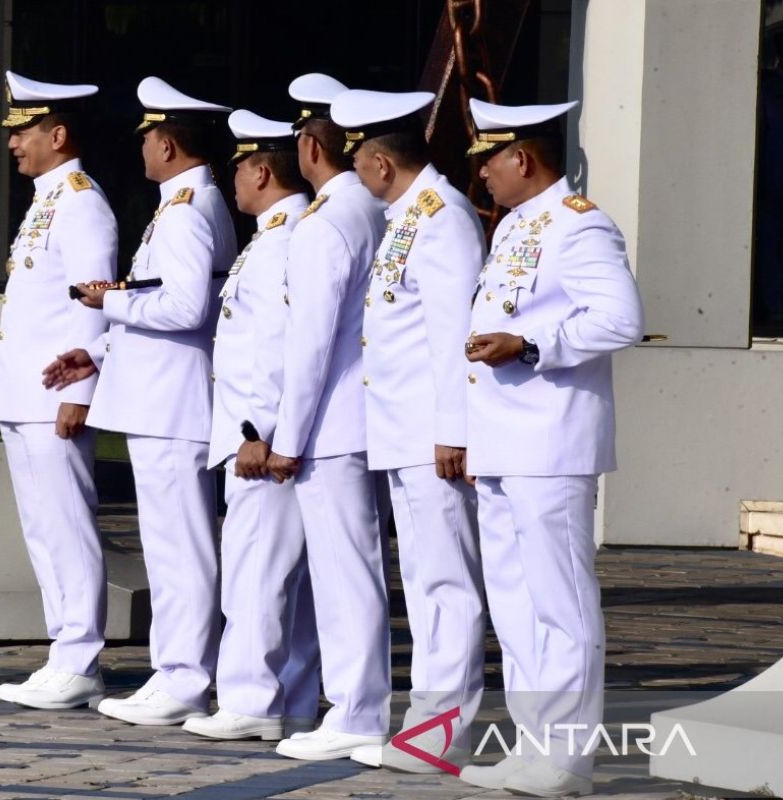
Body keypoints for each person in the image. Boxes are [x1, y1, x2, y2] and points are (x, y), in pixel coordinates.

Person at [458, 98, 643, 798]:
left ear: (521, 158)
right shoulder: (515, 227)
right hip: (506, 437)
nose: (481, 179)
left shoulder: (579, 225)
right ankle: (534, 747)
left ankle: (567, 758)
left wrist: (534, 344)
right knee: (515, 602)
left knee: (560, 601)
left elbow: (621, 319)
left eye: (486, 164)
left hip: (553, 436)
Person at [43, 77, 236, 726]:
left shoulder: (185, 211)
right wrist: (97, 352)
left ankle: (184, 677)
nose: (144, 149)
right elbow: (161, 299)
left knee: (181, 547)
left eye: (151, 138)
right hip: (160, 398)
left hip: (172, 403)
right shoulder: (183, 204)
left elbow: (185, 307)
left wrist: (108, 302)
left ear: (172, 143)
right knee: (172, 544)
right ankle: (174, 671)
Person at [331, 89, 488, 773]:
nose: (357, 179)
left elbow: (455, 332)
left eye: (359, 165)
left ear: (381, 165)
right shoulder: (408, 216)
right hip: (402, 429)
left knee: (445, 581)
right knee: (423, 578)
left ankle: (439, 733)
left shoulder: (442, 216)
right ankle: (424, 727)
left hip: (432, 434)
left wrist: (454, 430)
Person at [182, 110, 320, 743]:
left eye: (239, 167)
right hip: (256, 433)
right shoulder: (273, 238)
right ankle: (286, 700)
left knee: (257, 571)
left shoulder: (285, 240)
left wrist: (258, 433)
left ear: (261, 171)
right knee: (275, 574)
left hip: (259, 439)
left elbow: (279, 350)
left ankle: (250, 700)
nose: (233, 178)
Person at [265, 73, 391, 761]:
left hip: (331, 422)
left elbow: (310, 342)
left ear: (311, 149)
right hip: (358, 415)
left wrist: (287, 439)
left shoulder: (325, 222)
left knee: (345, 574)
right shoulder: (371, 210)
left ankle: (357, 710)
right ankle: (345, 703)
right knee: (348, 571)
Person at [0, 71, 116, 710]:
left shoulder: (80, 201)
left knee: (66, 523)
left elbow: (93, 301)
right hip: (24, 394)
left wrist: (82, 388)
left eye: (23, 131)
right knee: (42, 527)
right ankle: (62, 649)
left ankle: (81, 655)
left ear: (57, 134)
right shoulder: (47, 200)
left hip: (55, 393)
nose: (13, 142)